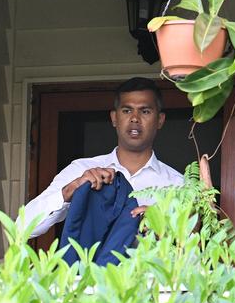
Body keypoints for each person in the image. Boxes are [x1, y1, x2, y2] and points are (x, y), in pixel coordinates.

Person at [20, 77, 184, 238]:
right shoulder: (81, 170)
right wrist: (71, 190)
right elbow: (21, 227)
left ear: (160, 120)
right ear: (114, 118)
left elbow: (194, 255)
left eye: (145, 111)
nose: (135, 118)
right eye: (127, 110)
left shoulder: (178, 184)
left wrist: (165, 228)